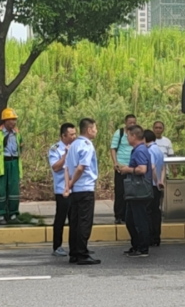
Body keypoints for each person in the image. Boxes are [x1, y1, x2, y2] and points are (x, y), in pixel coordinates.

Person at [64, 118, 101, 265]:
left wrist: (68, 185)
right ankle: (82, 254)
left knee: (75, 222)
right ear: (89, 130)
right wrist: (72, 183)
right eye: (95, 128)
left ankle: (74, 252)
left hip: (75, 191)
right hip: (85, 187)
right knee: (84, 222)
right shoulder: (87, 145)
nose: (96, 131)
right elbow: (81, 167)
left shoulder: (73, 145)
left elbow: (67, 168)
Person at [122, 125, 152, 258]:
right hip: (135, 191)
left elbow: (142, 169)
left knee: (139, 220)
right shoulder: (138, 149)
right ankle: (136, 245)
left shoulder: (140, 150)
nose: (127, 138)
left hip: (139, 190)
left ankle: (143, 247)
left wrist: (128, 170)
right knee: (130, 219)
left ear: (134, 136)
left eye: (128, 135)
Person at [0, 108, 22, 224]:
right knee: (1, 189)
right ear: (5, 120)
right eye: (11, 119)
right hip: (1, 165)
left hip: (14, 163)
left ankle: (13, 214)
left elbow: (21, 147)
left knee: (14, 189)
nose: (14, 122)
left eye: (15, 119)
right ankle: (1, 215)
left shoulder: (17, 133)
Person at [48, 122, 77, 257]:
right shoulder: (55, 149)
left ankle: (76, 246)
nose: (74, 137)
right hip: (62, 189)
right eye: (71, 135)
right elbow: (55, 167)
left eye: (75, 134)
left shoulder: (77, 146)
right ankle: (57, 246)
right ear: (63, 136)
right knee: (61, 218)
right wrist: (65, 155)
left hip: (75, 188)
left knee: (75, 219)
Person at [109, 114, 137, 224]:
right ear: (125, 122)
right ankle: (119, 215)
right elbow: (113, 148)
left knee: (132, 192)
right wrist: (115, 162)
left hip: (133, 167)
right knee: (120, 192)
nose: (132, 124)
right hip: (121, 167)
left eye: (134, 122)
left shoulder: (137, 134)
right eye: (130, 122)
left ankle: (128, 215)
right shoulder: (119, 133)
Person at [145, 129, 165, 247]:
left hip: (151, 185)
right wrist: (161, 181)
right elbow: (162, 168)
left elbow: (152, 167)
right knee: (156, 212)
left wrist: (156, 181)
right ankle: (157, 237)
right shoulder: (158, 150)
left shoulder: (150, 150)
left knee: (148, 212)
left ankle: (150, 236)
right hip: (158, 186)